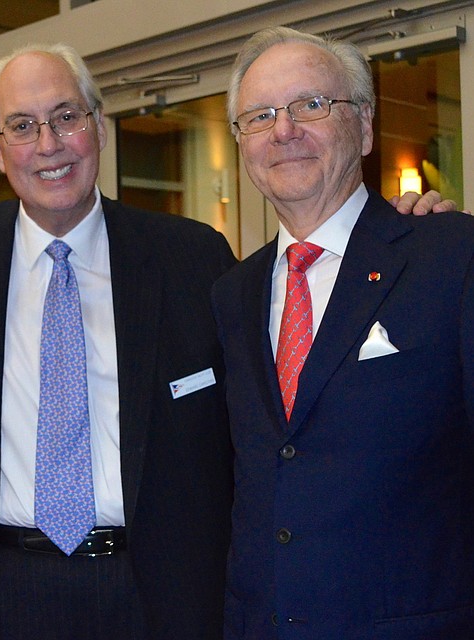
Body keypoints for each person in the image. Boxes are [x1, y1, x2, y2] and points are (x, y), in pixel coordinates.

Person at [0, 43, 449, 639]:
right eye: (21, 126)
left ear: (98, 128)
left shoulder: (196, 259)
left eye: (67, 117)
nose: (48, 144)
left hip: (157, 594)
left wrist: (393, 232)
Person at [212, 26, 474, 639]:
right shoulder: (232, 293)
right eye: (260, 115)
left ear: (364, 127)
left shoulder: (452, 257)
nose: (284, 130)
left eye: (312, 105)